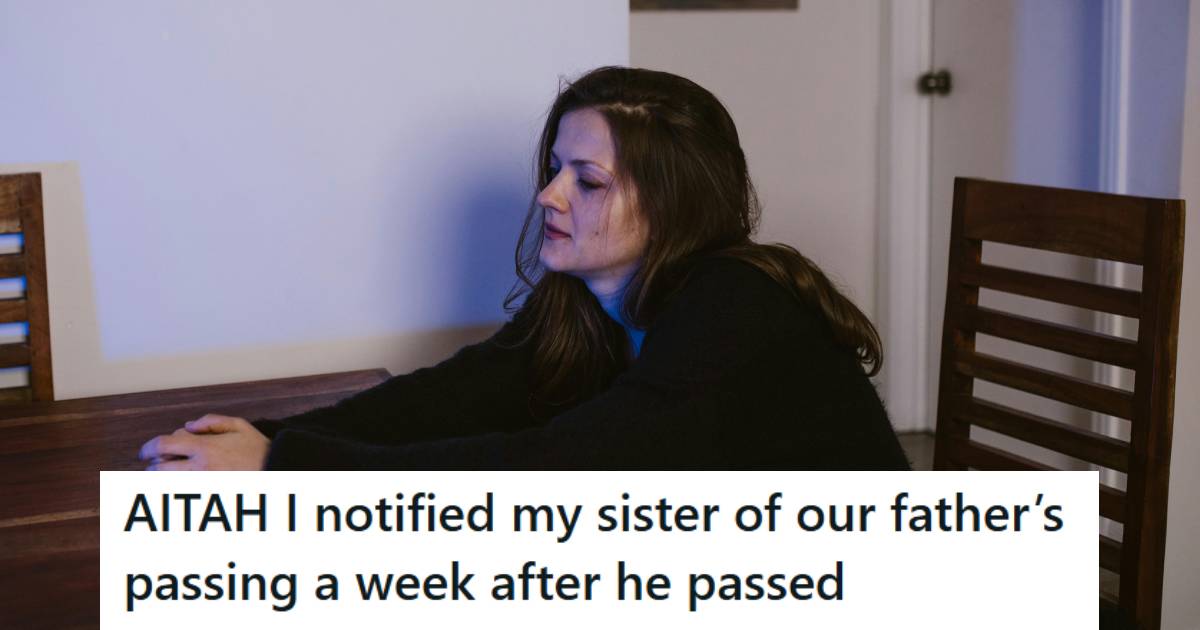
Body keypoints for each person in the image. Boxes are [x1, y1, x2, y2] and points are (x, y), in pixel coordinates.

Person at [139, 66, 910, 471]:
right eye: (555, 167)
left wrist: (284, 468)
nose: (548, 194)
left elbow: (564, 469)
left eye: (588, 180)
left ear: (675, 206)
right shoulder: (586, 303)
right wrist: (259, 437)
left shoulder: (736, 304)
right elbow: (445, 402)